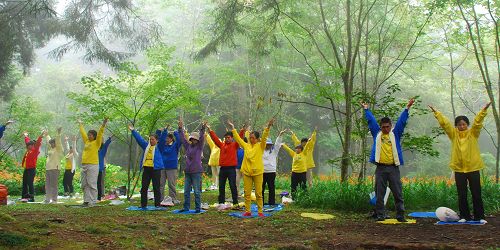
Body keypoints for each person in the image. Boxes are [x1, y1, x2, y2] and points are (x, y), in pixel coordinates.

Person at [429, 102, 490, 224]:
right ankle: (464, 216)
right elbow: (445, 124)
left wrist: (483, 110)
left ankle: (479, 216)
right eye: (459, 125)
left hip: (473, 168)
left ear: (467, 125)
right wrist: (436, 112)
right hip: (459, 169)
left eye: (464, 124)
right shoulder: (453, 134)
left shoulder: (473, 133)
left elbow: (477, 123)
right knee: (462, 194)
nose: (462, 126)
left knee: (476, 193)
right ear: (456, 126)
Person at [362, 98, 414, 222]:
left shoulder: (395, 134)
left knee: (397, 192)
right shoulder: (377, 134)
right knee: (380, 193)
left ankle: (400, 215)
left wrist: (407, 108)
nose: (385, 128)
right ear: (380, 127)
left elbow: (402, 122)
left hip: (393, 167)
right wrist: (366, 109)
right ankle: (380, 215)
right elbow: (371, 121)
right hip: (380, 168)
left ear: (391, 126)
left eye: (387, 126)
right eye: (383, 127)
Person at [230, 118, 274, 217]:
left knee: (259, 193)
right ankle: (248, 210)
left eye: (253, 137)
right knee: (247, 193)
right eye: (250, 137)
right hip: (247, 172)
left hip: (258, 172)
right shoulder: (246, 146)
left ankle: (260, 211)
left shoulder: (261, 146)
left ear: (257, 139)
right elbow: (237, 138)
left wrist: (268, 127)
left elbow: (264, 137)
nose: (251, 139)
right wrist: (233, 128)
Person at [206, 123, 246, 206]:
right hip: (223, 169)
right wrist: (210, 130)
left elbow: (240, 138)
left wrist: (242, 130)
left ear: (232, 138)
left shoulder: (235, 145)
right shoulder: (222, 145)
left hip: (231, 169)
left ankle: (235, 202)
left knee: (232, 185)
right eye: (226, 138)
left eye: (228, 138)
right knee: (221, 186)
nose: (227, 139)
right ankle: (221, 202)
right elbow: (215, 139)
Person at [129, 124, 164, 208]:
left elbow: (162, 139)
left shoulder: (159, 147)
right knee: (144, 187)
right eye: (150, 139)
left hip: (156, 169)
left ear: (156, 140)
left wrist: (162, 131)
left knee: (156, 187)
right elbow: (139, 139)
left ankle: (157, 204)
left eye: (153, 139)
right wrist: (133, 130)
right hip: (146, 168)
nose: (151, 141)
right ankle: (143, 204)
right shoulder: (146, 146)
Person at [178, 119, 206, 213]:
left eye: (195, 138)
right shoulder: (188, 146)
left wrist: (203, 128)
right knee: (186, 192)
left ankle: (198, 208)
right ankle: (186, 208)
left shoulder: (199, 146)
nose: (193, 140)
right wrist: (180, 128)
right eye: (192, 138)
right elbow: (182, 139)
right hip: (188, 172)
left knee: (197, 191)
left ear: (197, 140)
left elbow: (202, 138)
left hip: (196, 171)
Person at [79, 118, 107, 207]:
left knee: (92, 183)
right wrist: (80, 124)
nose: (89, 136)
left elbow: (100, 134)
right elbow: (83, 133)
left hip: (93, 165)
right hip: (84, 165)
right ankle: (86, 200)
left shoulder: (97, 143)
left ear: (94, 136)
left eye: (90, 135)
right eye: (88, 135)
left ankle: (93, 201)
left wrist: (103, 125)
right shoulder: (86, 141)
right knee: (84, 184)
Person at [157, 125, 181, 205]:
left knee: (171, 184)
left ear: (171, 139)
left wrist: (175, 132)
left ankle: (173, 199)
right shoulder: (162, 146)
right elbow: (159, 140)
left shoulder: (175, 145)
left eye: (167, 138)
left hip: (172, 167)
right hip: (162, 167)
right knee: (161, 184)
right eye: (165, 138)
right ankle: (160, 199)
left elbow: (179, 140)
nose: (166, 139)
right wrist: (162, 131)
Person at [262, 129, 286, 205]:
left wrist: (280, 135)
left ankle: (271, 202)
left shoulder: (274, 151)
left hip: (271, 172)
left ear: (271, 145)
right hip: (262, 172)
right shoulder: (261, 150)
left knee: (271, 188)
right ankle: (260, 202)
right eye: (266, 144)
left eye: (269, 144)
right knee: (261, 188)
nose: (268, 145)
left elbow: (277, 144)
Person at [21, 130, 44, 202]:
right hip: (26, 169)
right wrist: (25, 136)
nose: (27, 146)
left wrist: (40, 136)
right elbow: (27, 141)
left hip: (31, 169)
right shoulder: (29, 150)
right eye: (27, 145)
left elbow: (37, 144)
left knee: (30, 183)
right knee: (24, 182)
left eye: (29, 145)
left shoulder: (35, 151)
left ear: (32, 145)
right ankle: (24, 196)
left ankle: (32, 197)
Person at [44, 127, 64, 204]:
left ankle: (54, 200)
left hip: (55, 168)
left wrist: (58, 134)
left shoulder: (59, 149)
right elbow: (48, 141)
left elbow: (58, 142)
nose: (52, 144)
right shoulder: (50, 149)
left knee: (54, 185)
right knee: (47, 185)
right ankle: (47, 199)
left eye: (53, 143)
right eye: (51, 143)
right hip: (48, 168)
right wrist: (47, 135)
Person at [97, 136, 112, 201]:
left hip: (102, 167)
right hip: (95, 167)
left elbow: (106, 145)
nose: (101, 140)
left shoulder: (103, 148)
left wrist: (109, 139)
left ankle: (101, 195)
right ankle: (97, 194)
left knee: (101, 181)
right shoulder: (96, 147)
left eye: (102, 139)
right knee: (96, 182)